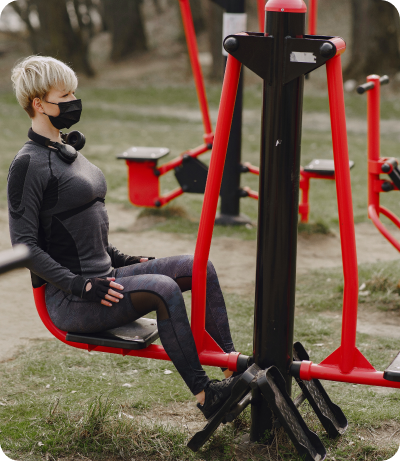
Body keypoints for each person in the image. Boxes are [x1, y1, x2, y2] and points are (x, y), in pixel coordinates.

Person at [7, 56, 242, 420]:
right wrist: (81, 286)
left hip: (107, 278)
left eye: (74, 91)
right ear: (38, 104)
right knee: (163, 289)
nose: (73, 100)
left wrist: (125, 260)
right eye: (64, 94)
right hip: (73, 299)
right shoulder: (28, 164)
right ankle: (206, 397)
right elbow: (25, 247)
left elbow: (84, 231)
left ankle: (232, 368)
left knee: (198, 266)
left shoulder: (65, 149)